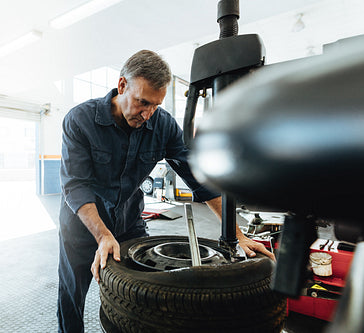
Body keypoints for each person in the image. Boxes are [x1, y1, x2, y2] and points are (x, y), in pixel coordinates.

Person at [57, 50, 273, 333]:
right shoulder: (80, 120)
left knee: (139, 293)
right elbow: (75, 185)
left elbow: (199, 180)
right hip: (82, 226)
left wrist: (238, 234)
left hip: (128, 222)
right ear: (122, 86)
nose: (147, 114)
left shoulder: (163, 125)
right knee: (72, 296)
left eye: (155, 106)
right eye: (142, 102)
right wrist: (102, 235)